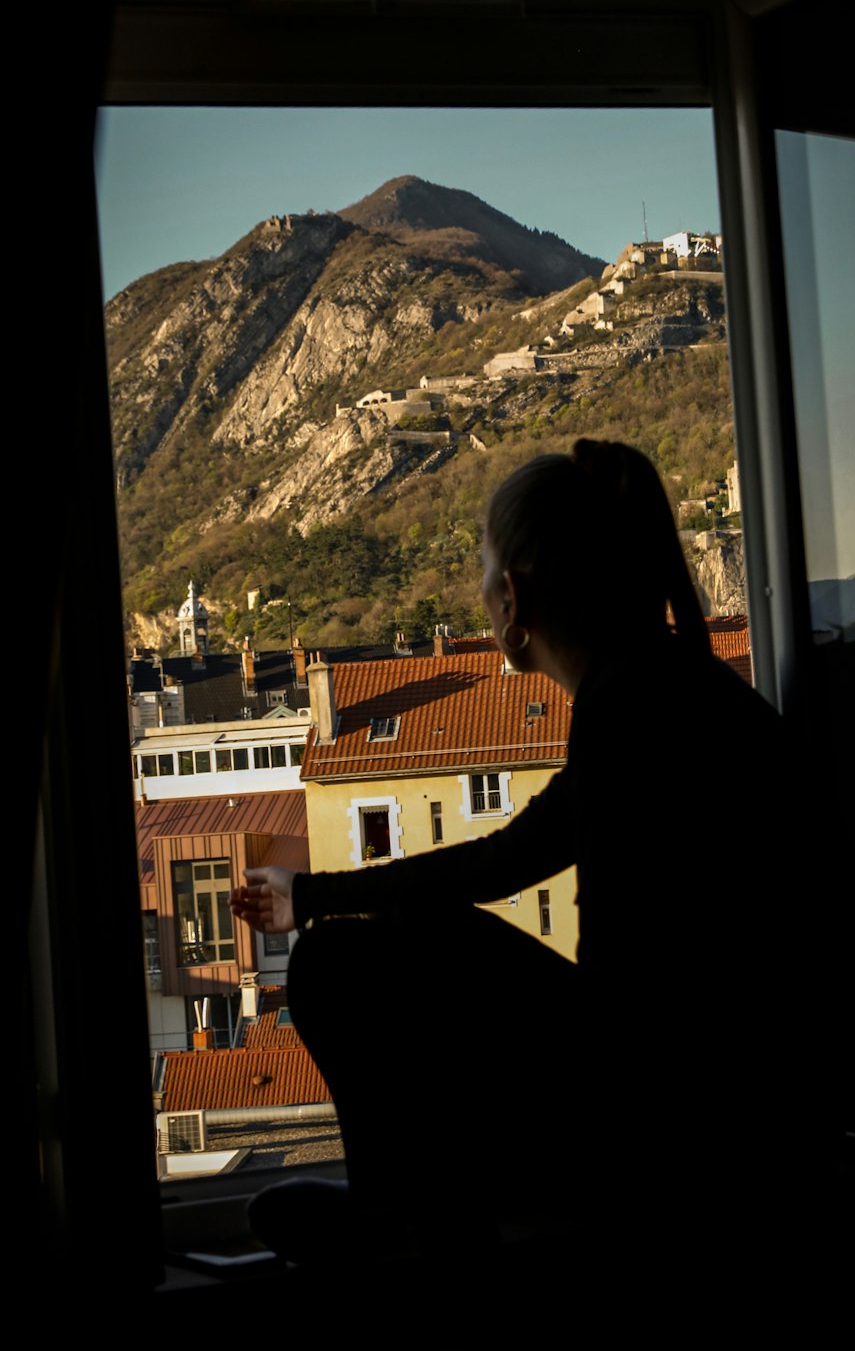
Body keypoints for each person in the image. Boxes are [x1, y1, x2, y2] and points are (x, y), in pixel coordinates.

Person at [232, 440, 816, 1255]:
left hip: (673, 1132)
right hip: (752, 1109)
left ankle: (405, 1219)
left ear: (512, 596)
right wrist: (314, 896)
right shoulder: (664, 685)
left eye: (483, 573)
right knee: (399, 926)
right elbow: (505, 858)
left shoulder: (631, 712)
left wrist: (318, 912)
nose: (478, 592)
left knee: (338, 964)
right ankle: (417, 1205)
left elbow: (609, 981)